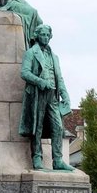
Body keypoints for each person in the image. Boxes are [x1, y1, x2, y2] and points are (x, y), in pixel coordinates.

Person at [18, 24, 72, 171]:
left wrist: (65, 95)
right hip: (37, 94)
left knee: (58, 127)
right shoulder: (31, 53)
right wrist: (40, 82)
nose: (46, 37)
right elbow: (24, 73)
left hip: (52, 95)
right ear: (37, 36)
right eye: (43, 34)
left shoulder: (54, 57)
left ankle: (58, 160)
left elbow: (59, 78)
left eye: (48, 35)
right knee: (38, 126)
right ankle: (37, 157)